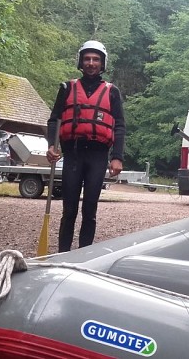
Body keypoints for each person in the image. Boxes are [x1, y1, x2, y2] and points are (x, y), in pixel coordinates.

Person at [46, 40, 126, 252]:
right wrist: (52, 145)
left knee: (90, 209)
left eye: (96, 59)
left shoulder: (112, 92)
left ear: (102, 64)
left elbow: (119, 126)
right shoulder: (67, 88)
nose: (91, 63)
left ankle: (84, 254)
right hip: (73, 154)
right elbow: (54, 120)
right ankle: (62, 254)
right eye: (87, 59)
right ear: (81, 62)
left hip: (98, 156)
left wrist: (117, 157)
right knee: (69, 209)